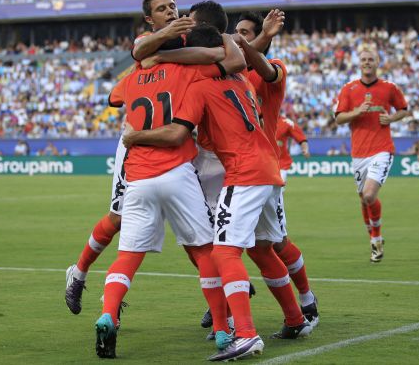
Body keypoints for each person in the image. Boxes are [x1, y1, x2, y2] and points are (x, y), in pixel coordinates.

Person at [124, 23, 313, 362]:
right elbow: (234, 56)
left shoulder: (198, 86)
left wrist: (135, 137)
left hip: (243, 172)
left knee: (224, 253)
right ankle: (296, 318)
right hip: (269, 167)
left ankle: (245, 334)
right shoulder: (240, 78)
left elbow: (177, 136)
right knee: (262, 247)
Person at [65, 0, 228, 316]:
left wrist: (175, 55)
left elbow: (224, 57)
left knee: (195, 231)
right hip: (139, 143)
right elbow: (140, 52)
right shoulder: (151, 40)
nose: (170, 12)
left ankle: (219, 303)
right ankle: (79, 272)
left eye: (173, 6)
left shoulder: (184, 43)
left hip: (181, 143)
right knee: (118, 219)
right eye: (161, 9)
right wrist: (169, 42)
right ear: (150, 19)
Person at [94, 30, 245, 360]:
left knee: (128, 256)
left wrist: (146, 62)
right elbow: (229, 61)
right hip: (176, 171)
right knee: (205, 251)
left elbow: (114, 99)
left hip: (137, 177)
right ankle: (222, 330)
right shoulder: (187, 71)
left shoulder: (132, 78)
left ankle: (108, 314)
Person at [234, 11, 319, 325]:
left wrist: (258, 40)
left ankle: (307, 299)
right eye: (236, 32)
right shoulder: (230, 71)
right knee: (231, 244)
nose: (238, 38)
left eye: (246, 33)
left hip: (262, 169)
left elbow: (266, 70)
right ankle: (227, 301)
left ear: (262, 38)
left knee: (274, 243)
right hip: (232, 169)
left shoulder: (274, 68)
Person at [335, 47, 409, 263]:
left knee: (369, 195)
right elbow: (338, 118)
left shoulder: (389, 88)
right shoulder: (349, 89)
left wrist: (392, 119)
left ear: (378, 62)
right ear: (359, 63)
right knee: (363, 199)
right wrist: (357, 112)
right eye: (364, 59)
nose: (367, 62)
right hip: (358, 153)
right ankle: (374, 241)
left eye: (371, 59)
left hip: (382, 149)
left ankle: (377, 237)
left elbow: (404, 109)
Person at [276, 115, 310, 181]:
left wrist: (305, 149)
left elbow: (302, 138)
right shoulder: (257, 120)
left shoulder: (287, 123)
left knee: (278, 188)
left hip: (281, 163)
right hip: (262, 163)